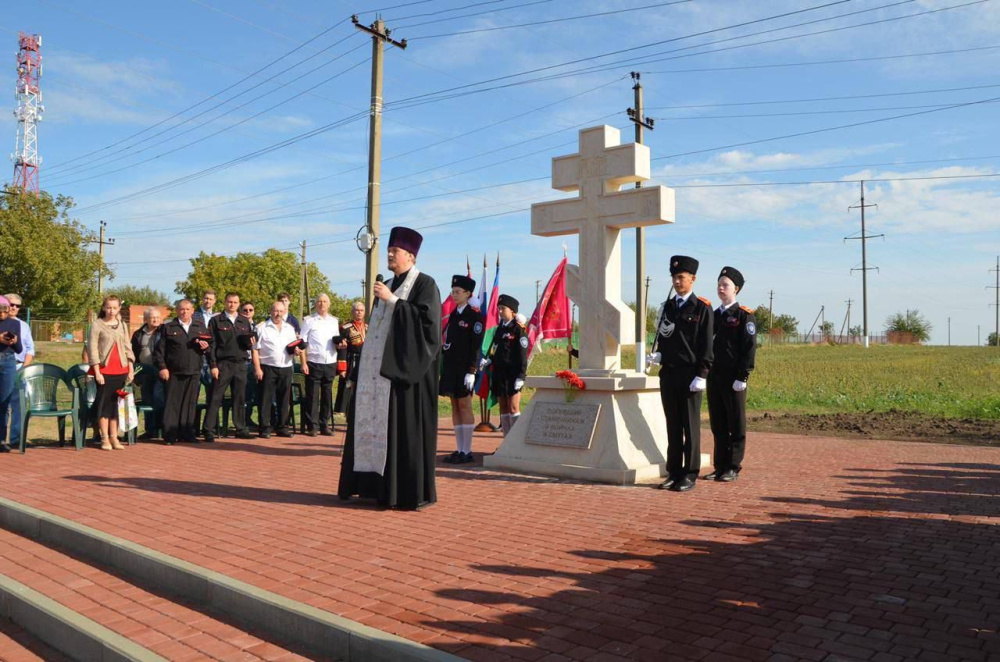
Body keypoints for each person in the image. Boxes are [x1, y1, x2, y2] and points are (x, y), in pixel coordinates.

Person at [338, 226, 441, 511]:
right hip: (376, 376)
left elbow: (428, 327)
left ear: (410, 256)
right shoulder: (388, 285)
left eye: (395, 252)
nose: (390, 255)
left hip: (403, 376)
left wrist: (394, 301)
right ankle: (372, 486)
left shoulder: (425, 285)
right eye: (389, 251)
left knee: (400, 432)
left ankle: (402, 492)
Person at [647, 255, 713, 493]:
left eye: (681, 277)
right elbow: (667, 338)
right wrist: (659, 356)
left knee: (689, 426)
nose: (676, 281)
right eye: (674, 277)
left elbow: (706, 346)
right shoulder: (669, 307)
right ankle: (673, 472)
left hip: (690, 376)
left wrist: (702, 374)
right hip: (669, 375)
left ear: (692, 279)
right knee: (672, 426)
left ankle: (690, 473)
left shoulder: (702, 308)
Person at [706, 267, 756, 483]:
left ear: (735, 289)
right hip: (714, 376)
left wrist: (743, 376)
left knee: (735, 423)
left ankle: (733, 466)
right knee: (718, 424)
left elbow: (749, 348)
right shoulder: (713, 315)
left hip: (734, 378)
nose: (720, 288)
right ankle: (720, 465)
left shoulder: (744, 315)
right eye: (719, 284)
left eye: (725, 285)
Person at [154, 299, 210, 445]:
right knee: (172, 404)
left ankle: (187, 434)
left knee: (190, 404)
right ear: (177, 310)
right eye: (181, 309)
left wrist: (205, 347)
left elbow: (209, 347)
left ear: (192, 311)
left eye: (187, 309)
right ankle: (170, 436)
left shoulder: (200, 326)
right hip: (174, 372)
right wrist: (162, 367)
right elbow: (159, 351)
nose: (184, 312)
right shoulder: (168, 327)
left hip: (194, 371)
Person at [440, 275, 482, 463]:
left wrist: (472, 371)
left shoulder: (474, 316)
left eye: (458, 292)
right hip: (451, 367)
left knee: (465, 405)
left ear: (468, 294)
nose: (454, 295)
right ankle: (459, 448)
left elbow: (475, 346)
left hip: (466, 369)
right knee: (455, 406)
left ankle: (467, 450)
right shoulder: (454, 315)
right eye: (453, 291)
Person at [203, 293, 256, 442]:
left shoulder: (244, 321)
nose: (232, 304)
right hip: (223, 364)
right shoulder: (216, 320)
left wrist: (250, 343)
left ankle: (240, 428)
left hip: (240, 364)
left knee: (239, 398)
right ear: (225, 302)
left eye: (235, 302)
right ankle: (208, 430)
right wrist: (213, 365)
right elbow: (211, 345)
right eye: (230, 302)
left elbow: (246, 344)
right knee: (215, 398)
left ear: (238, 304)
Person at [86, 295, 136, 451]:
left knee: (115, 405)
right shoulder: (97, 325)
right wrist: (97, 371)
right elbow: (92, 349)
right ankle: (104, 438)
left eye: (114, 307)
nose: (111, 310)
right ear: (103, 308)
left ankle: (114, 437)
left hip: (120, 370)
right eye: (108, 307)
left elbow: (128, 347)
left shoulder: (122, 325)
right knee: (103, 405)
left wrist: (130, 368)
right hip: (104, 371)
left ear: (119, 308)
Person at [482, 295, 527, 436]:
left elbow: (522, 354)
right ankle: (506, 442)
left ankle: (516, 441)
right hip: (499, 374)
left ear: (513, 311)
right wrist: (489, 359)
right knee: (503, 408)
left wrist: (521, 376)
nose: (500, 311)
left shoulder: (518, 329)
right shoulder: (500, 328)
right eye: (499, 309)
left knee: (513, 407)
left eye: (503, 309)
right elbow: (495, 346)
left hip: (513, 375)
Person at [252, 300, 298, 439]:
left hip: (285, 367)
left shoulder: (289, 328)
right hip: (267, 367)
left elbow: (292, 346)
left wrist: (296, 350)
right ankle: (265, 428)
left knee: (284, 399)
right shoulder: (261, 327)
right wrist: (257, 368)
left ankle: (282, 427)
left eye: (281, 311)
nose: (278, 314)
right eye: (275, 311)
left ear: (284, 313)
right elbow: (255, 350)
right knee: (265, 399)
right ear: (270, 311)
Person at [300, 294, 341, 436]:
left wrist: (341, 344)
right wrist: (303, 362)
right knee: (312, 395)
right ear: (315, 304)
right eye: (319, 301)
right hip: (313, 362)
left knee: (327, 395)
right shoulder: (309, 320)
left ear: (329, 304)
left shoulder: (334, 321)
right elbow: (302, 342)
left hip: (330, 362)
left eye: (324, 302)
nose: (322, 304)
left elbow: (336, 340)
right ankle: (312, 426)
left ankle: (325, 424)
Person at [4, 294, 34, 451]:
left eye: (18, 306)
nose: (14, 308)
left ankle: (16, 438)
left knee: (18, 404)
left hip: (19, 367)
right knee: (4, 404)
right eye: (11, 304)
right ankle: (2, 439)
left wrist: (24, 368)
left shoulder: (24, 325)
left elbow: (30, 348)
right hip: (3, 366)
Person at [130, 307, 164, 439]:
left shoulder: (164, 332)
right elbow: (133, 353)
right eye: (152, 317)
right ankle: (150, 430)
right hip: (144, 373)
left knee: (158, 399)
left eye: (157, 317)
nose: (155, 320)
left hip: (159, 372)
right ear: (146, 319)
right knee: (147, 400)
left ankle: (160, 428)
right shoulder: (138, 334)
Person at [0, 297, 24, 453]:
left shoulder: (15, 323)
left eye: (5, 310)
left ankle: (2, 439)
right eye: (0, 311)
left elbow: (20, 349)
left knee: (4, 401)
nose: (3, 314)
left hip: (8, 361)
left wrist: (14, 341)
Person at [334, 300, 366, 416]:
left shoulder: (367, 327)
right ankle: (345, 411)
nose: (359, 313)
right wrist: (342, 367)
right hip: (351, 359)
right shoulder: (346, 328)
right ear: (352, 312)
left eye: (361, 310)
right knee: (348, 385)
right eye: (357, 310)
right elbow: (342, 347)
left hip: (364, 361)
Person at [240, 302, 259, 428]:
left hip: (254, 362)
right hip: (241, 362)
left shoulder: (258, 327)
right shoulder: (238, 325)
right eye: (245, 310)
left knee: (252, 393)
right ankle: (242, 420)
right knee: (242, 393)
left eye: (250, 310)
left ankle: (248, 418)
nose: (248, 312)